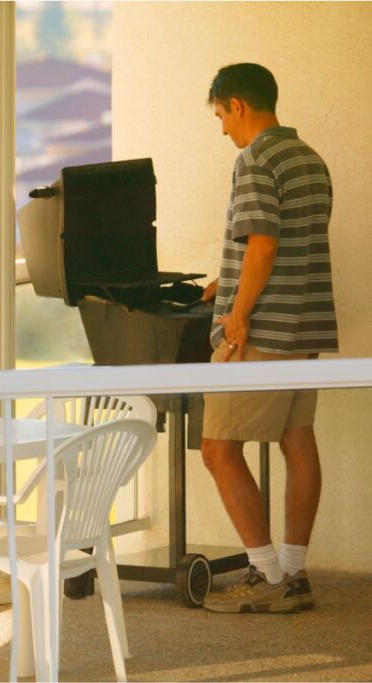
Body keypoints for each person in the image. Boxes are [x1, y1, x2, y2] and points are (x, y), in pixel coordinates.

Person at [198, 63, 337, 614]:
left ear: (237, 105)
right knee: (297, 441)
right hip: (305, 325)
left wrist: (236, 312)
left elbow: (263, 245)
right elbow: (286, 243)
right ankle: (295, 574)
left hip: (265, 329)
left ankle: (266, 572)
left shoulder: (254, 159)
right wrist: (224, 280)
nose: (223, 131)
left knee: (217, 449)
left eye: (220, 117)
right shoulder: (309, 159)